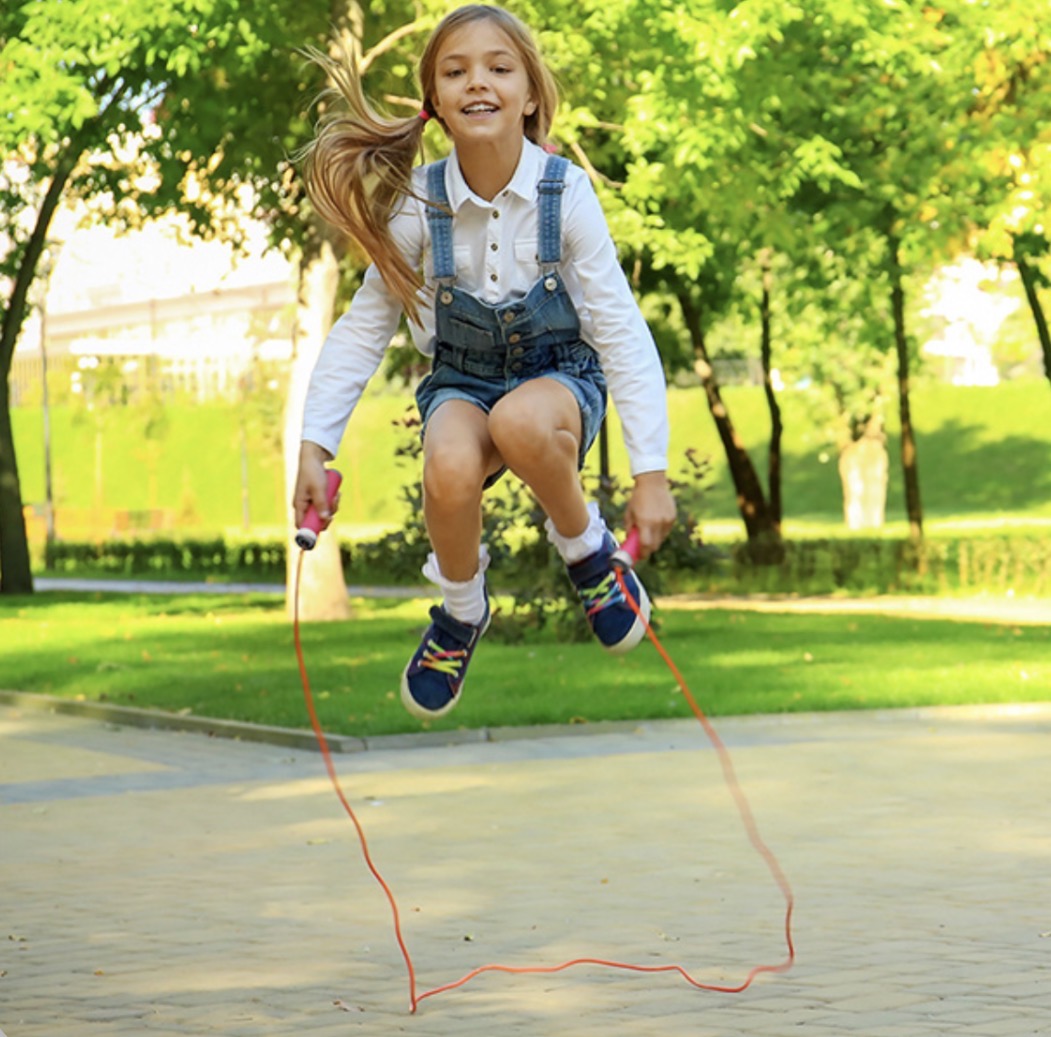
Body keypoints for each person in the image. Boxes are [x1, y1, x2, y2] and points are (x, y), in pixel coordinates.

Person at [293, 4, 676, 721]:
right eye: (456, 70)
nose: (479, 82)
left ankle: (588, 553)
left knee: (522, 419)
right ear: (434, 101)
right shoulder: (418, 205)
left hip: (559, 380)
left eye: (499, 68)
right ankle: (461, 611)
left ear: (529, 95)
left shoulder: (567, 197)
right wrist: (315, 446)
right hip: (460, 383)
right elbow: (362, 328)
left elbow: (620, 331)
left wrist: (649, 474)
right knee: (446, 459)